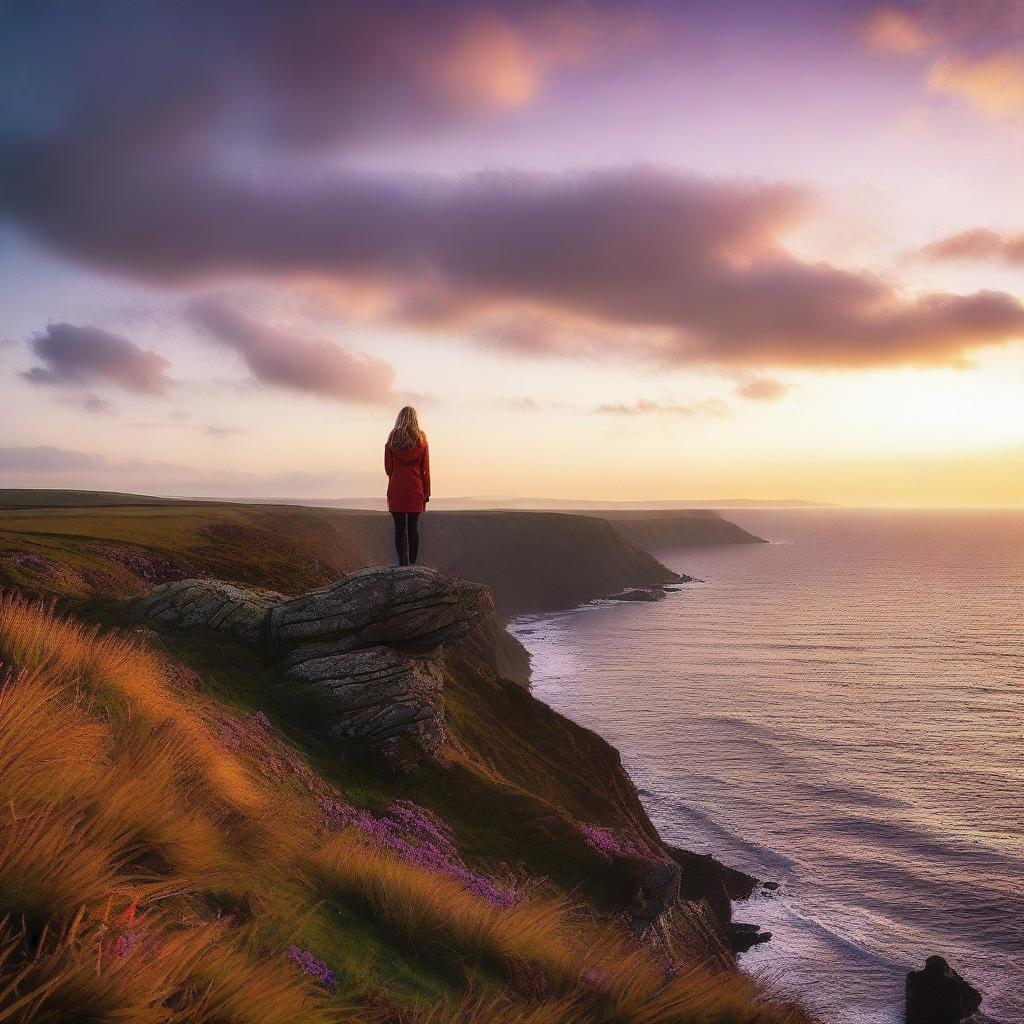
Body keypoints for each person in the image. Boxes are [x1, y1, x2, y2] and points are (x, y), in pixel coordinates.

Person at [384, 406, 430, 566]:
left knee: (399, 527)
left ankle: (402, 563)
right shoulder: (422, 438)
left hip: (396, 489)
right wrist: (427, 491)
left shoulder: (392, 437)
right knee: (412, 527)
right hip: (416, 489)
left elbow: (388, 469)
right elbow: (425, 469)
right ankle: (413, 564)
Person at [905, 956, 977, 1024]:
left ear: (927, 966)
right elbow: (958, 1009)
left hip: (916, 1019)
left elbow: (909, 998)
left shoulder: (914, 978)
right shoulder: (951, 984)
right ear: (942, 968)